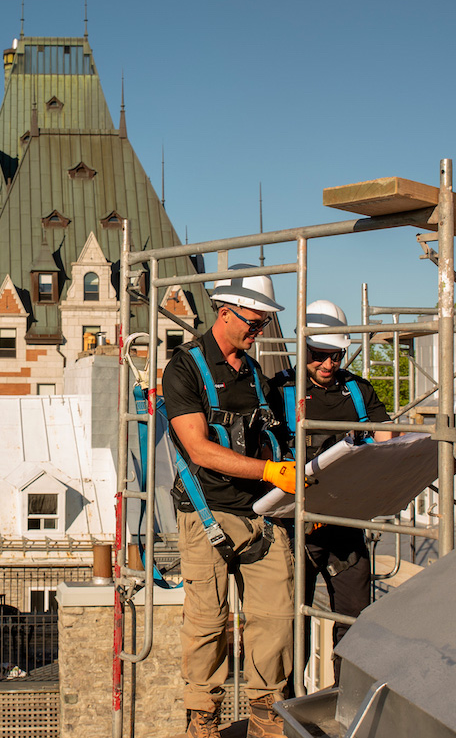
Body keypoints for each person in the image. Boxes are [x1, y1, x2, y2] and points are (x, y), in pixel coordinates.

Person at [161, 265, 300, 738]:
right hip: (207, 513)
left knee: (276, 618)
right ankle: (203, 721)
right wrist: (268, 470)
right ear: (225, 311)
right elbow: (198, 447)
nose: (260, 332)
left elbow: (263, 436)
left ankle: (267, 715)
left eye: (263, 324)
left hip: (260, 514)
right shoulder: (185, 367)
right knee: (208, 624)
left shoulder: (255, 374)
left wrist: (279, 467)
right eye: (254, 322)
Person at [267, 300, 395, 684]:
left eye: (335, 355)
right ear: (303, 348)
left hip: (344, 522)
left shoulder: (357, 392)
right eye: (319, 355)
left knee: (355, 619)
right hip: (297, 528)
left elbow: (386, 438)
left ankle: (346, 704)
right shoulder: (280, 391)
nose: (328, 364)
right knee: (292, 624)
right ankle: (287, 706)